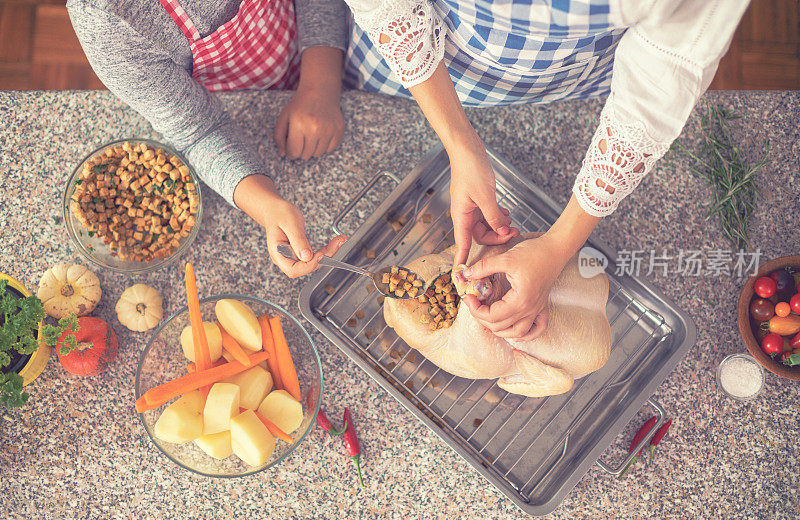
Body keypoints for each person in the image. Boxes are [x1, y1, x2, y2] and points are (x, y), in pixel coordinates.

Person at [341, 0, 749, 340]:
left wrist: (557, 249)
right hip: (424, 68)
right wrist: (459, 142)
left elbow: (660, 84)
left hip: (572, 79)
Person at [68, 0, 349, 277]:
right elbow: (200, 131)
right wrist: (266, 206)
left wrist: (320, 84)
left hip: (319, 48)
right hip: (230, 99)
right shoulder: (109, 22)